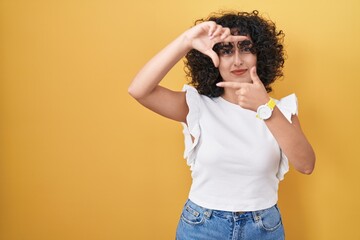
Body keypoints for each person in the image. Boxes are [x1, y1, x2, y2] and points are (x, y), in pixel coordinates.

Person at [128, 10, 315, 240]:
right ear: (211, 59)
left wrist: (265, 108)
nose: (237, 60)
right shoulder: (197, 106)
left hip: (264, 228)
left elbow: (306, 165)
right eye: (225, 51)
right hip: (202, 226)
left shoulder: (280, 110)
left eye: (246, 48)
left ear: (261, 55)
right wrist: (187, 40)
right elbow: (139, 90)